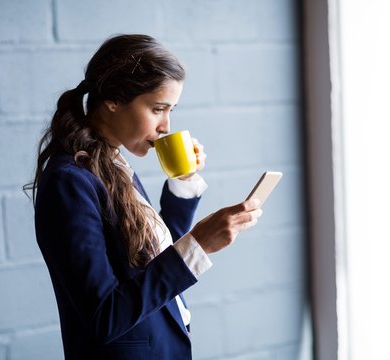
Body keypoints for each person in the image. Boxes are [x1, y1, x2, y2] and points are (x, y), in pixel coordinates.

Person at [25, 34, 262, 360]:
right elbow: (104, 316)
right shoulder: (70, 182)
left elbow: (148, 258)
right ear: (112, 100)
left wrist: (184, 180)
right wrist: (199, 245)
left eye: (171, 110)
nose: (166, 126)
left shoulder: (110, 163)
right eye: (158, 109)